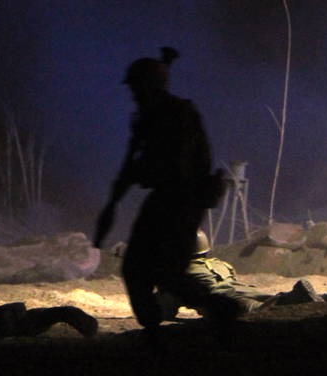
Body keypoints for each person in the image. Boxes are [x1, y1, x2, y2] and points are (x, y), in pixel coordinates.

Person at [96, 48, 239, 347]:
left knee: (165, 272)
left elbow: (178, 166)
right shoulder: (151, 116)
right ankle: (154, 329)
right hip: (166, 199)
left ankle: (220, 311)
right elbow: (137, 162)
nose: (133, 95)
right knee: (137, 268)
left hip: (181, 201)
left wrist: (142, 174)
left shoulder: (178, 114)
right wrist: (117, 197)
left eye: (137, 87)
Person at [157, 230, 327, 318]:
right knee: (266, 296)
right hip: (241, 288)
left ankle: (294, 298)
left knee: (258, 309)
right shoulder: (219, 263)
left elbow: (164, 308)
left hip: (220, 299)